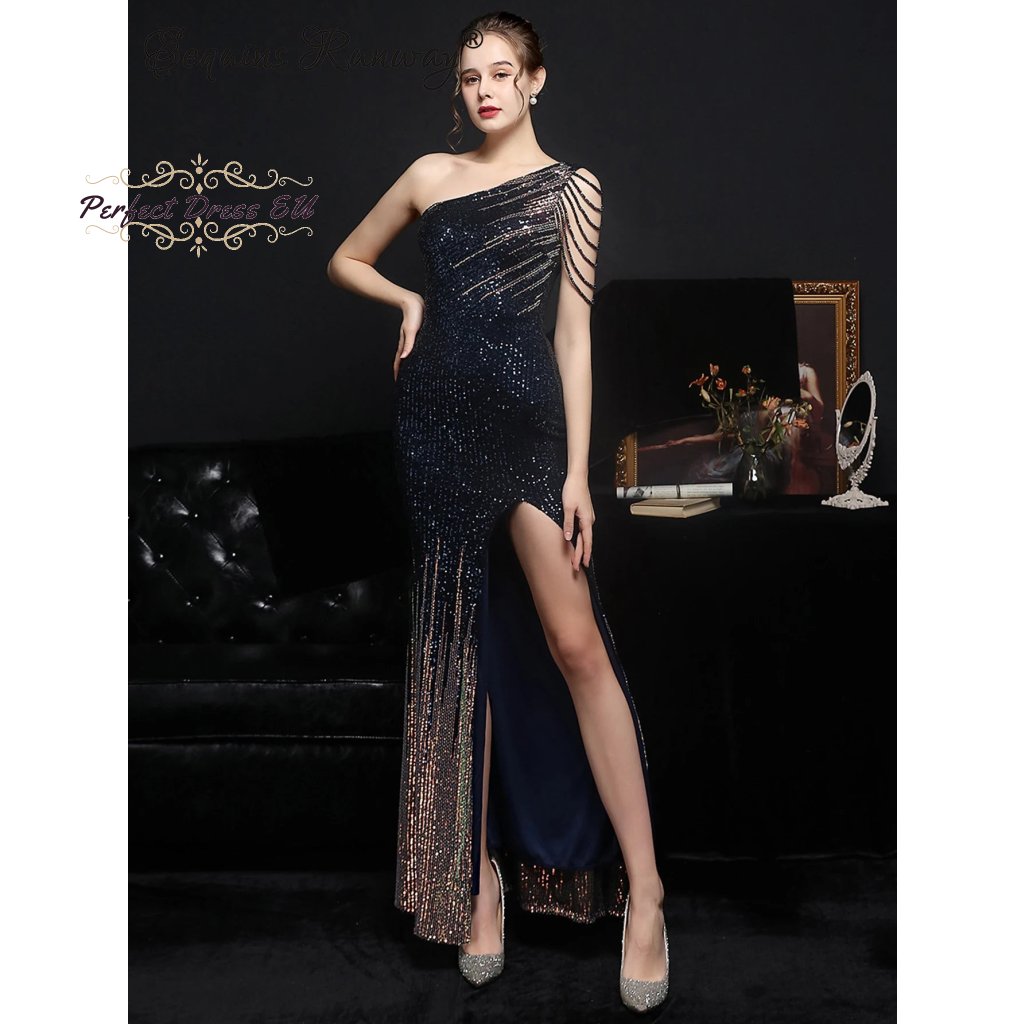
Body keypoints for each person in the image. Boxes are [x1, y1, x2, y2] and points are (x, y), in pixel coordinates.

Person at [326, 12, 668, 1012]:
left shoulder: (573, 189)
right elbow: (346, 258)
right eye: (471, 75)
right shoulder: (429, 175)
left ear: (535, 81)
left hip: (527, 432)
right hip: (435, 424)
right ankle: (475, 885)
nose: (484, 89)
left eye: (502, 73)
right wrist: (408, 303)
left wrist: (576, 475)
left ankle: (647, 894)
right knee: (457, 652)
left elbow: (573, 336)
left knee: (576, 646)